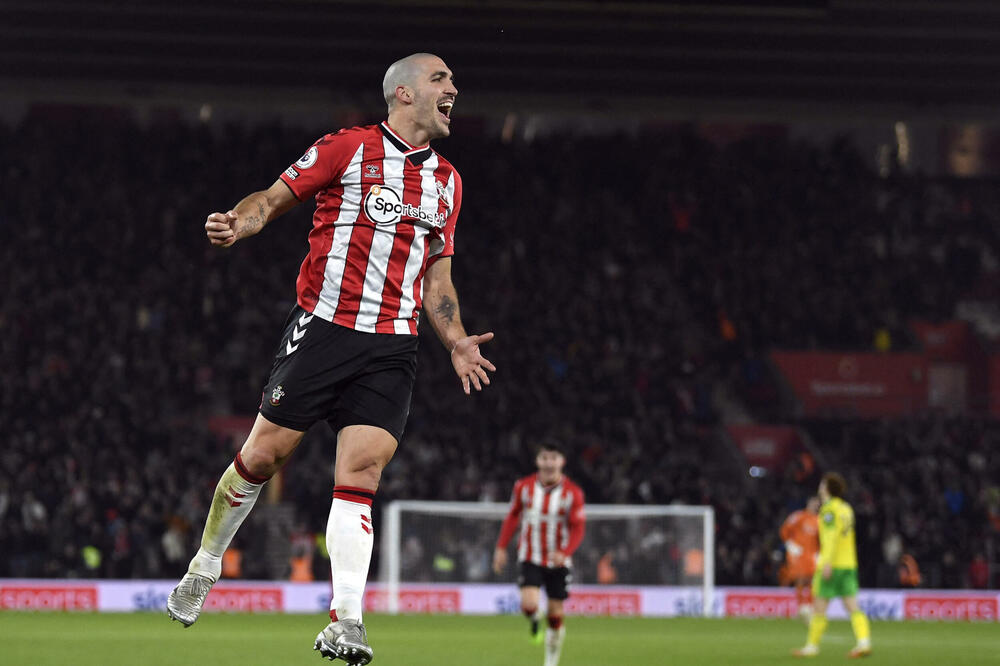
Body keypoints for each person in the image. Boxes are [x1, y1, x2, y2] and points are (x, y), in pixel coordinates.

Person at [166, 53, 496, 666]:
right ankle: (205, 565)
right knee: (262, 457)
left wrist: (456, 340)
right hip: (324, 331)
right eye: (440, 79)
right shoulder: (347, 148)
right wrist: (242, 221)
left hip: (393, 348)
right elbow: (272, 197)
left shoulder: (447, 182)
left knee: (362, 473)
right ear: (402, 94)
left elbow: (438, 279)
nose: (454, 88)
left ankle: (347, 620)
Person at [492, 442, 586, 666]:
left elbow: (578, 527)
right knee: (529, 605)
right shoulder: (523, 487)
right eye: (545, 458)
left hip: (558, 560)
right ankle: (534, 620)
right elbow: (513, 516)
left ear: (561, 462)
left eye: (554, 458)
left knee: (555, 615)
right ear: (538, 462)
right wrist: (501, 547)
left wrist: (565, 552)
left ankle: (550, 662)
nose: (549, 463)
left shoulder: (573, 493)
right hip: (530, 555)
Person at [793, 473, 872, 659]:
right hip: (849, 564)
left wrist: (827, 562)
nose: (820, 487)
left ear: (826, 488)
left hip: (832, 564)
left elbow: (830, 538)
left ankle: (811, 647)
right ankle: (864, 642)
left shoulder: (828, 510)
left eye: (822, 484)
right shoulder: (846, 508)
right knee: (852, 605)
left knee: (819, 606)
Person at [780, 496, 820, 619]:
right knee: (800, 580)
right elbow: (784, 530)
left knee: (813, 581)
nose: (815, 505)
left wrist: (820, 553)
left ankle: (811, 608)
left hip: (812, 555)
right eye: (813, 503)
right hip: (799, 555)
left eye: (817, 504)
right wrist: (789, 544)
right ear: (808, 503)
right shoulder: (798, 516)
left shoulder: (819, 520)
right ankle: (800, 607)